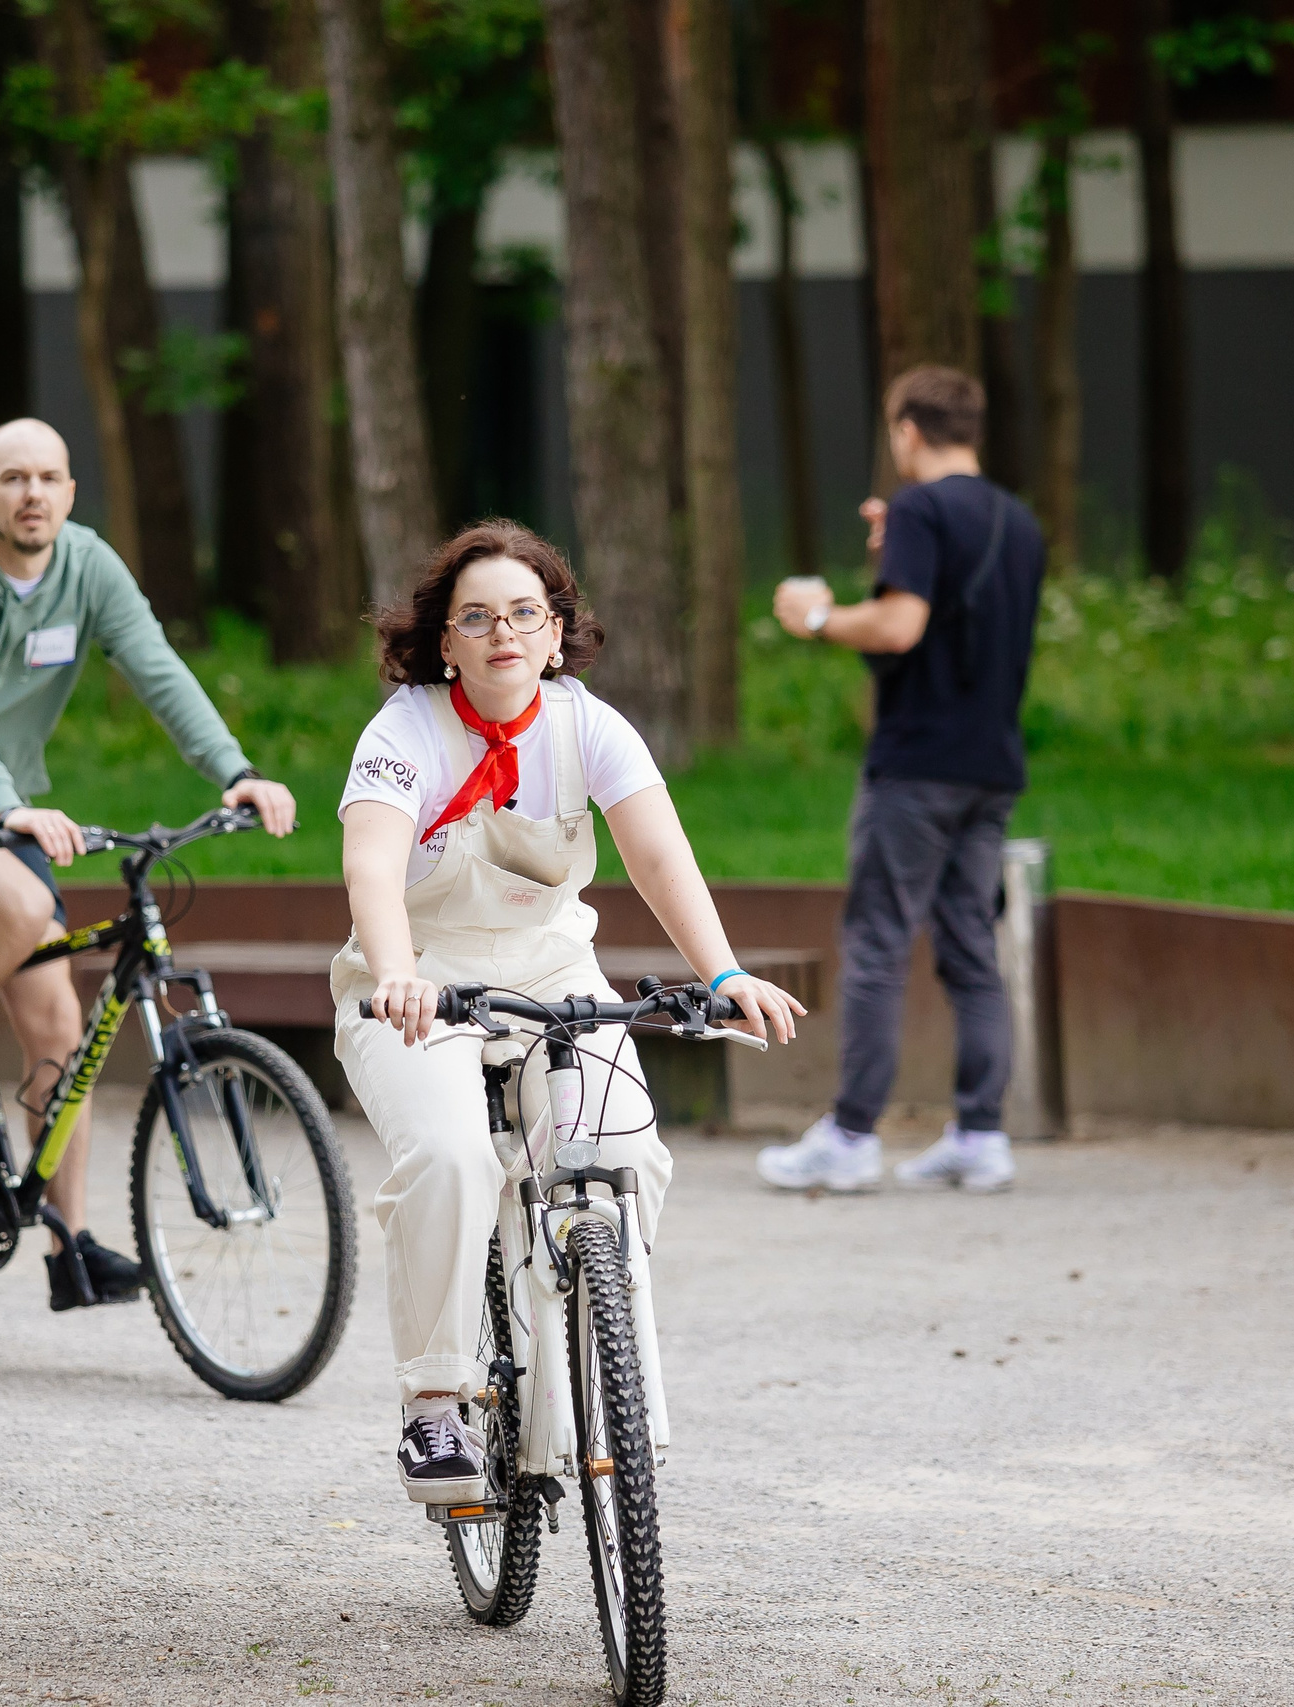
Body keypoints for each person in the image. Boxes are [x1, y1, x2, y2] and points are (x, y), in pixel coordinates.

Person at [333, 520, 806, 1504]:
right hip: (421, 978)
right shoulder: (404, 730)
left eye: (523, 614)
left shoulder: (586, 724)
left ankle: (599, 1370)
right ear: (444, 641)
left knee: (624, 1155)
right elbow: (371, 864)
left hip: (555, 973)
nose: (502, 633)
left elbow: (657, 856)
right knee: (455, 1156)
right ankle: (433, 1401)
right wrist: (393, 973)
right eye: (476, 618)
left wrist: (721, 975)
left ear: (556, 634)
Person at [0, 418, 297, 1308]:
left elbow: (160, 670)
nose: (31, 493)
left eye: (48, 477)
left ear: (71, 493)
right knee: (12, 908)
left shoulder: (87, 566)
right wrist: (5, 801)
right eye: (11, 479)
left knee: (57, 1030)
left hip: (5, 804)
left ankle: (69, 1244)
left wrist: (237, 771)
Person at [756, 365, 1045, 1194]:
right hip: (992, 767)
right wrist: (904, 548)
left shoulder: (920, 506)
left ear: (908, 430)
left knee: (878, 943)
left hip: (917, 765)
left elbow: (901, 625)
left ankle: (850, 1136)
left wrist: (814, 617)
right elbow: (966, 614)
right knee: (970, 949)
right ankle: (981, 1135)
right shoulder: (1018, 523)